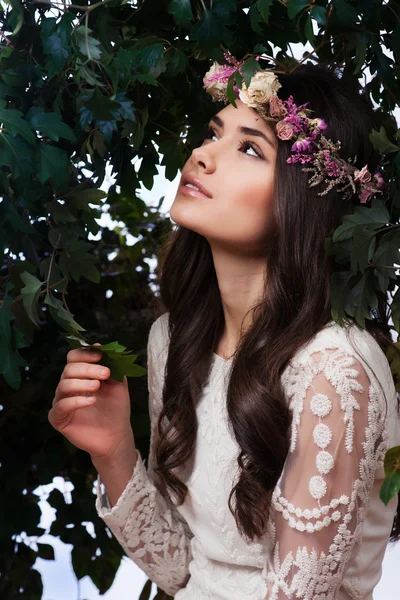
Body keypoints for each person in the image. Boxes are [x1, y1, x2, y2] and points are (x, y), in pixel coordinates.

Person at [49, 57, 400, 600]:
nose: (202, 156)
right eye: (214, 134)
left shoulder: (333, 368)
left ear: (302, 201)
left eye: (250, 148)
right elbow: (184, 572)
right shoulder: (175, 337)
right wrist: (114, 453)